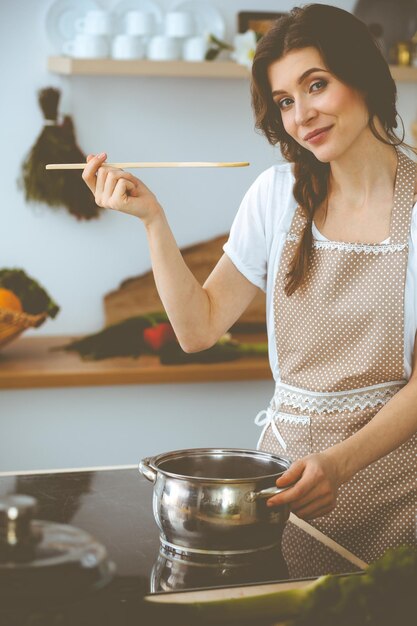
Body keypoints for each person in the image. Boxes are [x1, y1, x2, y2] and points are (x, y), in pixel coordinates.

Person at [82, 3, 417, 565]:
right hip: (283, 491)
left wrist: (338, 464)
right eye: (285, 101)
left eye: (317, 85)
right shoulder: (275, 195)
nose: (302, 113)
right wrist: (153, 220)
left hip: (397, 493)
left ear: (362, 76)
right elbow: (198, 329)